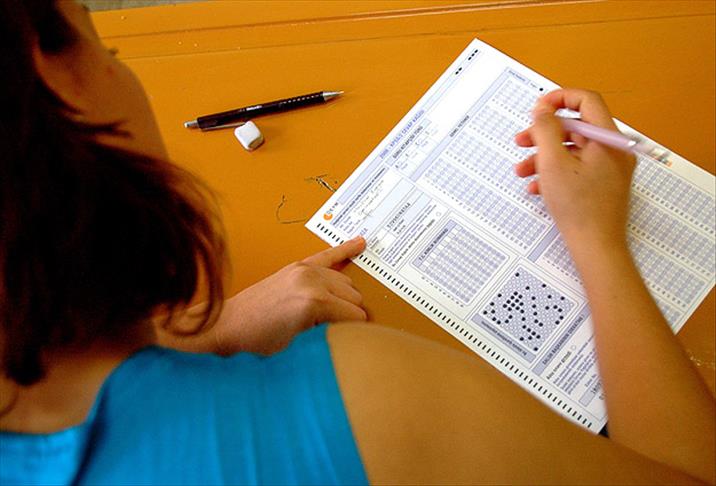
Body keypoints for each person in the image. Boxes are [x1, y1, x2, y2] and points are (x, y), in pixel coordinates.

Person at [0, 1, 714, 484]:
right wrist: (596, 238)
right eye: (106, 46)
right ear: (54, 80)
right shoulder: (370, 400)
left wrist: (209, 336)